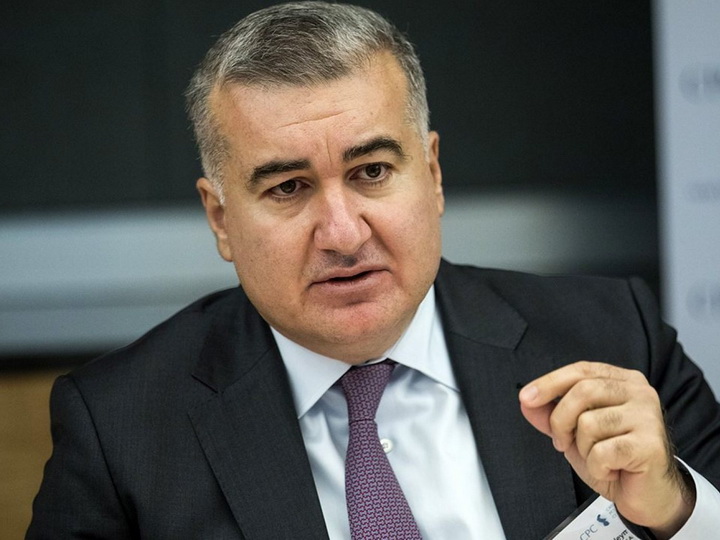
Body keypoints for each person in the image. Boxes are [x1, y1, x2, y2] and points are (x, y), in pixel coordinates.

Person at [28, 2, 720, 539]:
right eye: (288, 188)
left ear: (434, 174)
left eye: (372, 172)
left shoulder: (612, 337)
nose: (343, 233)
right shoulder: (121, 429)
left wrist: (675, 510)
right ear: (221, 219)